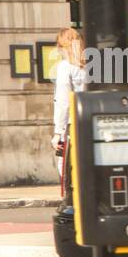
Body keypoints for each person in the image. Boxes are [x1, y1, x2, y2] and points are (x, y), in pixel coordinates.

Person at [50, 28, 87, 177]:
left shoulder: (65, 67)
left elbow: (63, 101)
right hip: (90, 120)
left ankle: (71, 197)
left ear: (62, 47)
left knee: (65, 165)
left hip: (72, 124)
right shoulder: (91, 65)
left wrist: (58, 133)